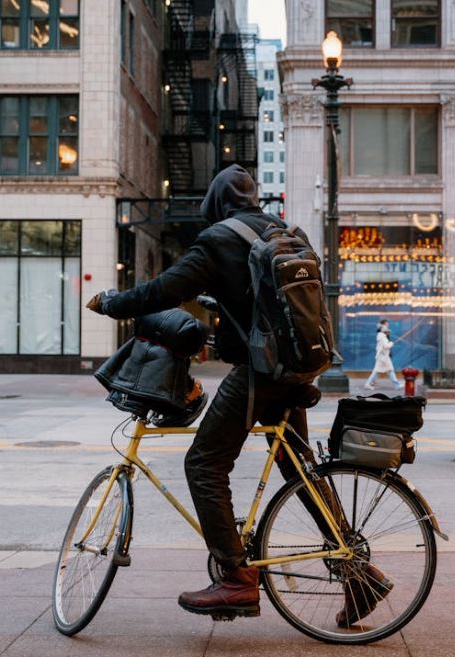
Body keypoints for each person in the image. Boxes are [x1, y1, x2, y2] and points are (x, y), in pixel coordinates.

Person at [86, 164, 328, 620]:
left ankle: (236, 579)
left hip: (260, 373)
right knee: (298, 466)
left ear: (215, 204)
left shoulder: (218, 240)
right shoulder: (285, 231)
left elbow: (164, 291)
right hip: (297, 367)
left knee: (203, 463)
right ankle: (360, 573)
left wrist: (113, 302)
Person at [365, 319, 402, 391]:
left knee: (388, 370)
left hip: (384, 357)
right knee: (378, 371)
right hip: (383, 357)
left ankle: (396, 385)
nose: (387, 326)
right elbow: (386, 346)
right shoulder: (382, 337)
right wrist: (391, 343)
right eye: (386, 325)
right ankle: (368, 383)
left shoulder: (381, 336)